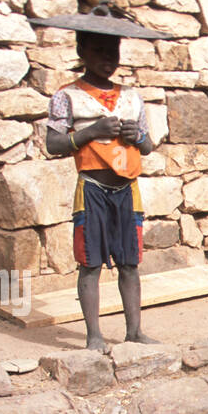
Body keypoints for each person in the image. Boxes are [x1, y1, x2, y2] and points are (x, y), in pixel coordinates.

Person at [44, 22, 158, 353]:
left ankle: (134, 331)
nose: (108, 58)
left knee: (129, 262)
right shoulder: (67, 96)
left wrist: (134, 136)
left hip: (127, 188)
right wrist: (92, 130)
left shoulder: (131, 98)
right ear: (82, 52)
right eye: (99, 51)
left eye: (113, 52)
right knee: (90, 262)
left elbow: (148, 146)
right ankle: (94, 336)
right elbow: (54, 143)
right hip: (92, 186)